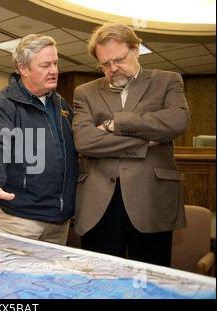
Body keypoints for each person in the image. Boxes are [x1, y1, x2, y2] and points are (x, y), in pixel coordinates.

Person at [72, 22, 189, 266]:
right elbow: (85, 141)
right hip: (99, 204)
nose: (113, 68)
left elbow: (177, 122)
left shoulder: (167, 81)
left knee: (149, 281)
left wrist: (115, 124)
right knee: (99, 279)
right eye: (105, 64)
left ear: (136, 50)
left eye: (119, 59)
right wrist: (145, 141)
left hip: (152, 199)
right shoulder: (85, 92)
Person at [0, 34, 78, 245]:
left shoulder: (61, 104)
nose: (54, 70)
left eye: (56, 63)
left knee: (51, 278)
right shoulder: (2, 105)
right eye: (45, 65)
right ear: (23, 68)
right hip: (20, 217)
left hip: (59, 218)